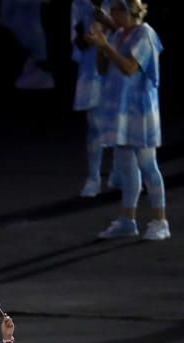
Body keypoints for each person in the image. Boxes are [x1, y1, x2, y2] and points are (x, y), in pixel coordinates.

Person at [91, 0, 168, 241]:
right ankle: (127, 220)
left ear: (132, 10)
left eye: (119, 9)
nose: (113, 13)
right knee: (125, 166)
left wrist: (108, 46)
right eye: (112, 9)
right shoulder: (119, 35)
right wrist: (99, 45)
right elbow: (103, 69)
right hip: (120, 110)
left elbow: (129, 68)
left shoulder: (145, 33)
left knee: (147, 164)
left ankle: (160, 220)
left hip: (141, 110)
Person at [73, 0, 115, 197]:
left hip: (117, 65)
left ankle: (120, 172)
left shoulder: (117, 2)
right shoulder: (79, 3)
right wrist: (86, 39)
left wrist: (106, 23)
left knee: (118, 122)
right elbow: (75, 37)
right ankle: (93, 177)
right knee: (94, 124)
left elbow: (132, 29)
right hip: (91, 69)